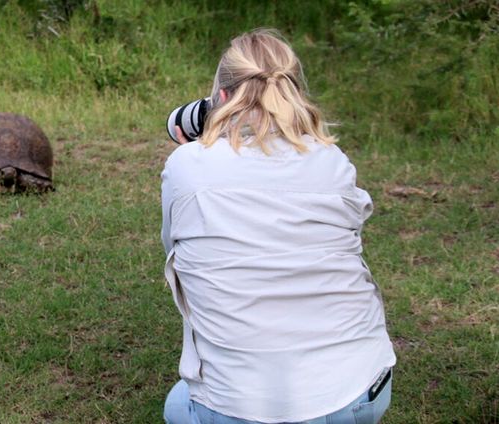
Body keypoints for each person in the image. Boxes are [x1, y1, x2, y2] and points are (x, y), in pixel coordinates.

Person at [160, 29, 396, 424]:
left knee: (177, 405)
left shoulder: (186, 167)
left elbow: (176, 248)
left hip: (237, 407)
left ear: (219, 97)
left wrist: (196, 146)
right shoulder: (333, 161)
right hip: (357, 391)